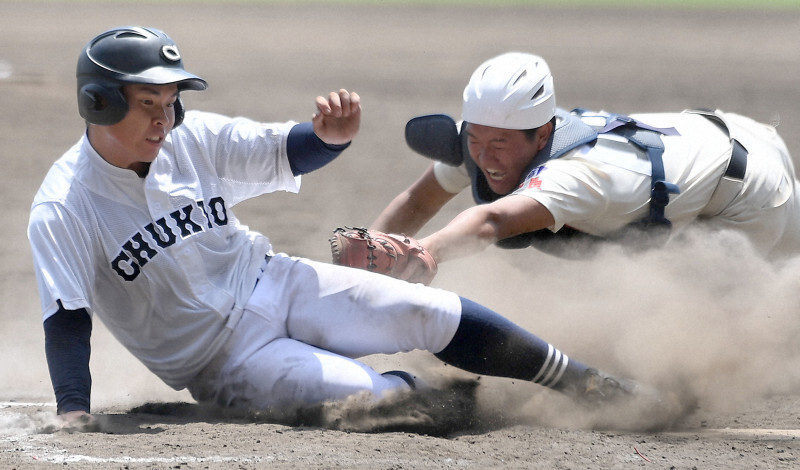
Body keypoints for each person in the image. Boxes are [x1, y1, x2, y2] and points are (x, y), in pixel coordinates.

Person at [27, 27, 670, 433]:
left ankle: (585, 384)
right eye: (150, 105)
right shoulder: (65, 205)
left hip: (277, 281)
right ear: (100, 103)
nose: (166, 119)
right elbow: (67, 316)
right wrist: (73, 406)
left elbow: (285, 149)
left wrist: (329, 139)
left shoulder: (194, 137)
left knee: (428, 311)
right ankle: (477, 406)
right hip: (223, 360)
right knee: (378, 399)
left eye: (171, 103)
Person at [371, 52, 800, 268]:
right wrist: (371, 249)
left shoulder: (578, 176)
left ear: (542, 135)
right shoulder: (496, 138)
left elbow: (492, 222)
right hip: (724, 140)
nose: (483, 155)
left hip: (748, 196)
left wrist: (422, 253)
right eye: (475, 138)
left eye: (499, 142)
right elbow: (418, 202)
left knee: (666, 334)